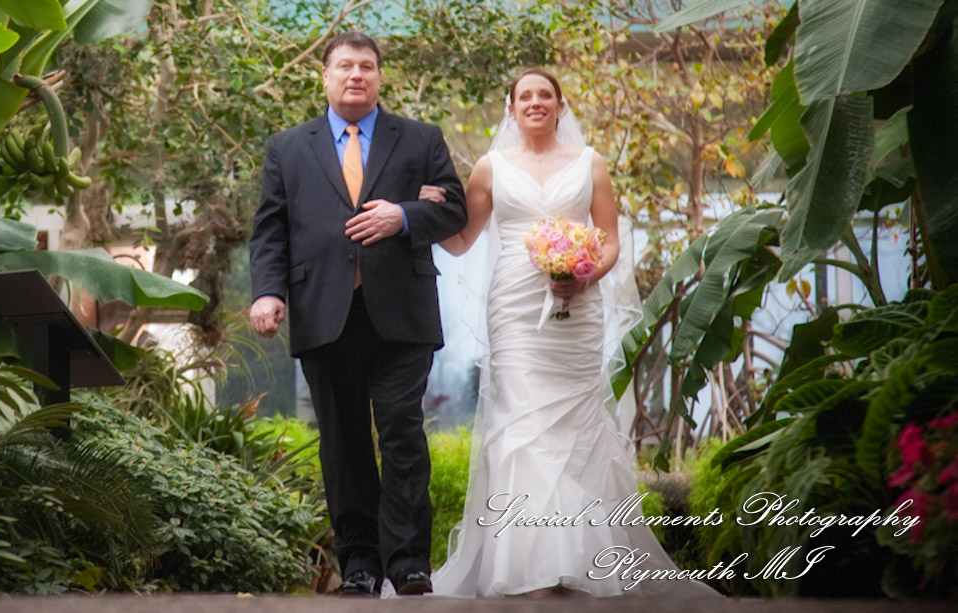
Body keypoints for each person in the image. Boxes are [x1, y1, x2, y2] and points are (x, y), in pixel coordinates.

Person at [417, 68, 720, 598]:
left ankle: (582, 562)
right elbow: (463, 241)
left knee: (575, 428)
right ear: (510, 108)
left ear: (561, 105)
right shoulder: (489, 168)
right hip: (514, 312)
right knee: (521, 425)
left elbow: (608, 241)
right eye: (524, 96)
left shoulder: (590, 163)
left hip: (576, 314)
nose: (535, 103)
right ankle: (528, 566)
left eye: (545, 95)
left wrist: (582, 275)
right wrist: (431, 211)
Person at [248, 31, 468, 597]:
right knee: (343, 442)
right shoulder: (287, 147)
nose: (356, 75)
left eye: (366, 67)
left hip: (401, 313)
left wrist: (405, 215)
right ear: (324, 76)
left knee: (401, 432)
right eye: (345, 66)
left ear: (379, 77)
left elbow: (455, 210)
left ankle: (409, 562)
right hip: (323, 312)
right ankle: (361, 566)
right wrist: (268, 292)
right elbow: (271, 230)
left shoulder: (420, 139)